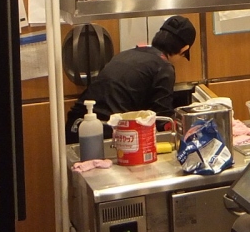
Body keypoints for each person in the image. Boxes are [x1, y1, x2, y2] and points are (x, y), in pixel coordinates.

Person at [65, 15, 197, 142]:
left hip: (76, 126)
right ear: (183, 49)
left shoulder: (127, 54)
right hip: (103, 133)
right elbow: (162, 121)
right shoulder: (163, 67)